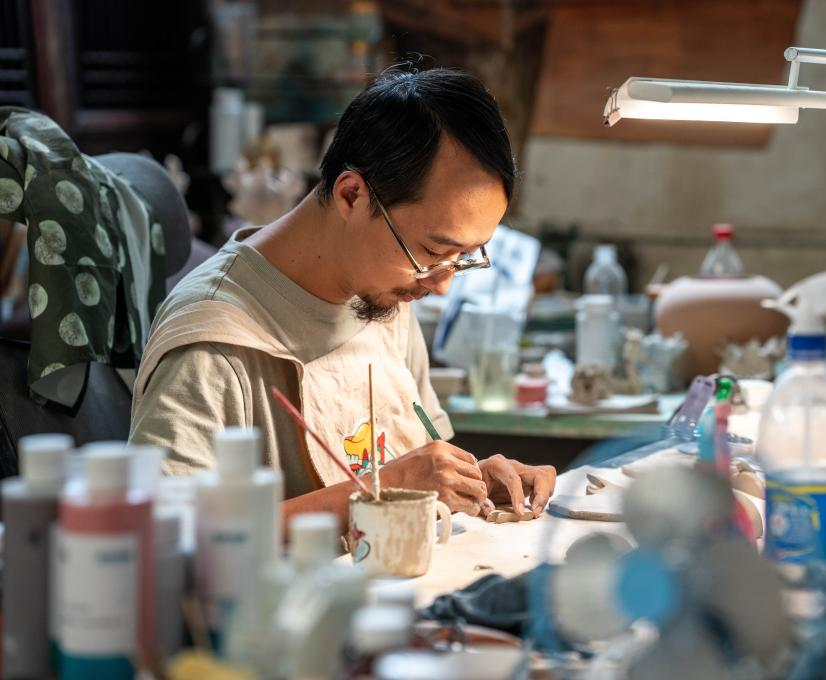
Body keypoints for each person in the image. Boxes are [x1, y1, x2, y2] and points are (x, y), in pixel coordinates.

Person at [129, 67, 555, 530]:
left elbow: (419, 464)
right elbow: (167, 534)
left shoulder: (385, 292)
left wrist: (473, 482)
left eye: (465, 256)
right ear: (352, 195)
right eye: (434, 252)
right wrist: (381, 490)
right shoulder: (212, 341)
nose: (442, 285)